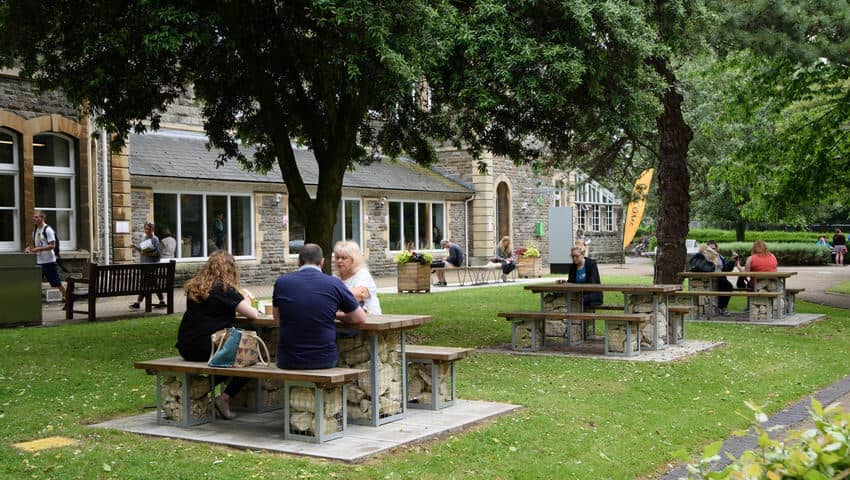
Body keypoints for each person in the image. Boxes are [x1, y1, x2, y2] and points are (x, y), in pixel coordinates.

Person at [175, 250, 260, 420]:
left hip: (186, 346)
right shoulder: (225, 289)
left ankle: (204, 388)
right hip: (208, 347)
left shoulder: (196, 287)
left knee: (231, 357)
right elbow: (253, 314)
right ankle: (224, 398)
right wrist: (247, 299)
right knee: (250, 358)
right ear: (230, 269)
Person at [272, 243, 367, 369]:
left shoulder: (281, 283)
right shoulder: (334, 283)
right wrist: (336, 315)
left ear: (298, 261)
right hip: (324, 359)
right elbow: (360, 317)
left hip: (288, 360)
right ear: (322, 262)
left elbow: (277, 318)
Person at [25, 210, 66, 302]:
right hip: (39, 261)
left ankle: (67, 297)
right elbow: (35, 245)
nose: (34, 219)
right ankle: (32, 300)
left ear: (42, 217)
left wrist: (38, 249)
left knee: (56, 282)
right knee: (35, 281)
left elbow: (52, 245)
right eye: (33, 217)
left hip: (49, 261)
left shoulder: (48, 230)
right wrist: (29, 248)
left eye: (36, 217)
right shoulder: (35, 231)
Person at [334, 240, 382, 315]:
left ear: (354, 260)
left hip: (370, 320)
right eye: (337, 257)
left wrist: (333, 296)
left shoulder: (362, 274)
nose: (339, 261)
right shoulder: (336, 277)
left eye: (344, 258)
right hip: (347, 319)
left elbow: (359, 294)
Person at [129, 221, 166, 310]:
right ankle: (162, 301)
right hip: (144, 264)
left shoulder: (155, 239)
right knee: (153, 283)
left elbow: (157, 253)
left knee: (144, 284)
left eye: (149, 229)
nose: (147, 230)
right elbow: (142, 251)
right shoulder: (144, 238)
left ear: (152, 229)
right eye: (146, 228)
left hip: (151, 265)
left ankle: (138, 303)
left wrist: (148, 253)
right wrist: (135, 247)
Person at [706, 240, 734, 316]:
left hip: (721, 276)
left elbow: (727, 269)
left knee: (729, 286)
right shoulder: (705, 256)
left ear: (716, 249)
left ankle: (723, 307)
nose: (712, 250)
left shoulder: (720, 257)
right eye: (710, 248)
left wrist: (732, 261)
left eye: (714, 248)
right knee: (724, 283)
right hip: (710, 277)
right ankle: (721, 308)